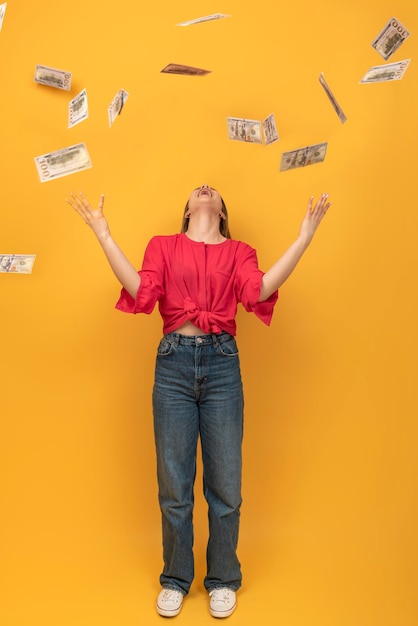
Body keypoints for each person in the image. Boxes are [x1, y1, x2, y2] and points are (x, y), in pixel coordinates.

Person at [66, 185, 331, 619]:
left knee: (226, 485)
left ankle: (223, 579)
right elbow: (142, 291)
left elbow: (258, 292)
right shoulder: (162, 246)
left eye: (213, 192)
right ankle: (175, 578)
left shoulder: (240, 251)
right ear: (187, 210)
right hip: (172, 366)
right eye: (197, 190)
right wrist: (104, 235)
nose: (205, 189)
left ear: (221, 212)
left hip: (223, 365)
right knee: (174, 485)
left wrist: (303, 238)